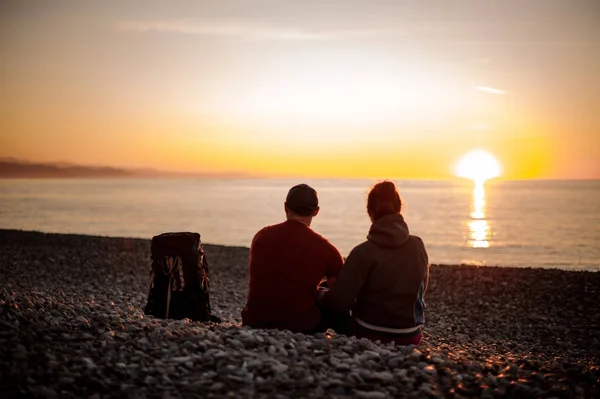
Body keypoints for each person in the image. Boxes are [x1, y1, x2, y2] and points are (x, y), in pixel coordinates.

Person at [317, 181, 429, 345]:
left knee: (327, 303)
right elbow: (421, 288)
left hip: (369, 332)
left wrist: (319, 294)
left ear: (370, 212)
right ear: (399, 208)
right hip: (410, 335)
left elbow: (339, 304)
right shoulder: (418, 245)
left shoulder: (362, 252)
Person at [241, 184, 345, 333]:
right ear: (316, 211)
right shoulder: (327, 250)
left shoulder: (261, 236)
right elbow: (339, 295)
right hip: (301, 325)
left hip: (255, 320)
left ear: (285, 207)